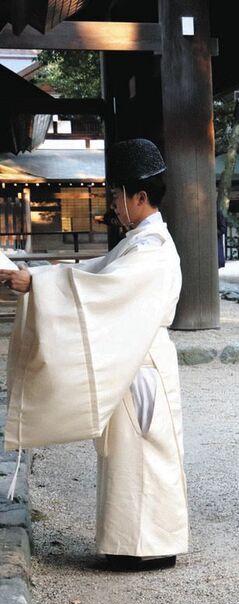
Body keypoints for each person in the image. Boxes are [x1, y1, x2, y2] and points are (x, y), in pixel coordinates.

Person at [1, 138, 188, 571]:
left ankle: (148, 546)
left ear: (141, 197)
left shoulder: (153, 249)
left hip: (141, 361)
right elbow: (93, 273)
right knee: (127, 454)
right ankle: (131, 543)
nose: (115, 205)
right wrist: (40, 277)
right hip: (132, 356)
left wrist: (38, 286)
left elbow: (104, 290)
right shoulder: (140, 241)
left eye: (118, 197)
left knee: (142, 453)